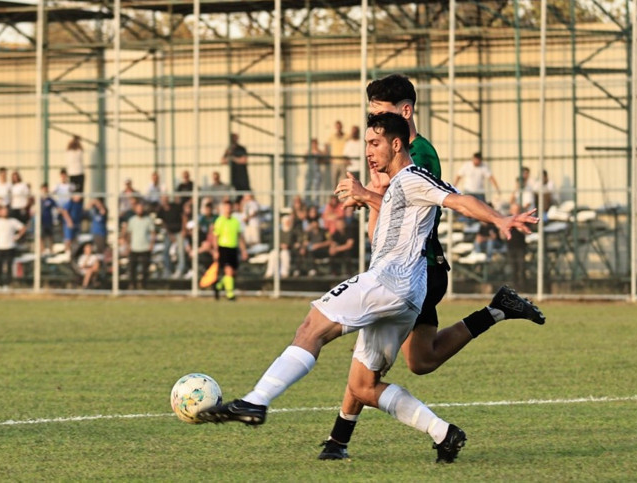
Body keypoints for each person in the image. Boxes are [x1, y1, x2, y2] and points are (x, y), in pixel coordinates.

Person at [197, 113, 542, 465]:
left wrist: (500, 218)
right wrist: (366, 197)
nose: (368, 151)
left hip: (389, 281)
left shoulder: (412, 177)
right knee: (363, 385)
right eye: (365, 144)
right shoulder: (397, 188)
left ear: (396, 143)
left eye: (374, 143)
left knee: (311, 327)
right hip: (406, 296)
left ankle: (257, 400)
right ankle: (443, 433)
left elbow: (458, 200)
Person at [318, 75, 544, 461]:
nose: (375, 125)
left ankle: (342, 441)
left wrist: (365, 195)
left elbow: (411, 204)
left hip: (410, 271)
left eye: (381, 116)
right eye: (371, 117)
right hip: (402, 269)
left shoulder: (417, 154)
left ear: (404, 114)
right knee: (420, 360)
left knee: (365, 365)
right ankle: (497, 310)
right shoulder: (387, 147)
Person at [211, 199, 248, 300]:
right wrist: (215, 250)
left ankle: (218, 286)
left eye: (229, 207)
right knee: (228, 271)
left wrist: (244, 250)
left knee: (233, 273)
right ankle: (230, 294)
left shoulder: (235, 221)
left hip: (233, 248)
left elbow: (239, 237)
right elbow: (215, 237)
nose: (228, 209)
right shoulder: (220, 221)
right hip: (223, 248)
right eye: (226, 207)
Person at [0, 205, 26, 292]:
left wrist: (17, 236)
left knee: (9, 266)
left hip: (10, 246)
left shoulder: (12, 221)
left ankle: (7, 284)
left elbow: (23, 228)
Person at [124, 202, 155, 290]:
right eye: (138, 208)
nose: (140, 210)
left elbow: (153, 233)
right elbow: (129, 233)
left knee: (145, 268)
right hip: (134, 247)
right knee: (132, 268)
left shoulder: (148, 220)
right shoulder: (132, 220)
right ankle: (133, 285)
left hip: (145, 247)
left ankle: (143, 285)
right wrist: (128, 245)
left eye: (141, 208)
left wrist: (151, 244)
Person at [157, 195, 185, 278]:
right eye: (163, 199)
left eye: (166, 199)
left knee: (180, 252)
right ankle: (168, 270)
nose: (164, 201)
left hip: (179, 232)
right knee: (165, 251)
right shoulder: (161, 210)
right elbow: (162, 223)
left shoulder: (175, 207)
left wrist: (184, 229)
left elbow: (183, 217)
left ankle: (180, 270)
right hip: (169, 233)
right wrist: (170, 234)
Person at [326, 120, 348, 193]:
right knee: (334, 181)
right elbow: (326, 145)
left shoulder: (346, 136)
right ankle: (334, 197)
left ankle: (342, 197)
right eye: (337, 126)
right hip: (334, 162)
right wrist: (329, 157)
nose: (338, 128)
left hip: (343, 162)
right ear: (335, 127)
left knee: (343, 181)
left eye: (339, 126)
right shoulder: (332, 136)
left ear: (341, 127)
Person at [305, 138, 325, 205]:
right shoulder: (308, 151)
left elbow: (323, 159)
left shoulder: (319, 152)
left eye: (315, 143)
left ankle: (316, 202)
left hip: (317, 171)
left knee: (316, 187)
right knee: (308, 186)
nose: (314, 145)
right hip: (310, 171)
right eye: (313, 144)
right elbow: (304, 159)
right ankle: (307, 202)